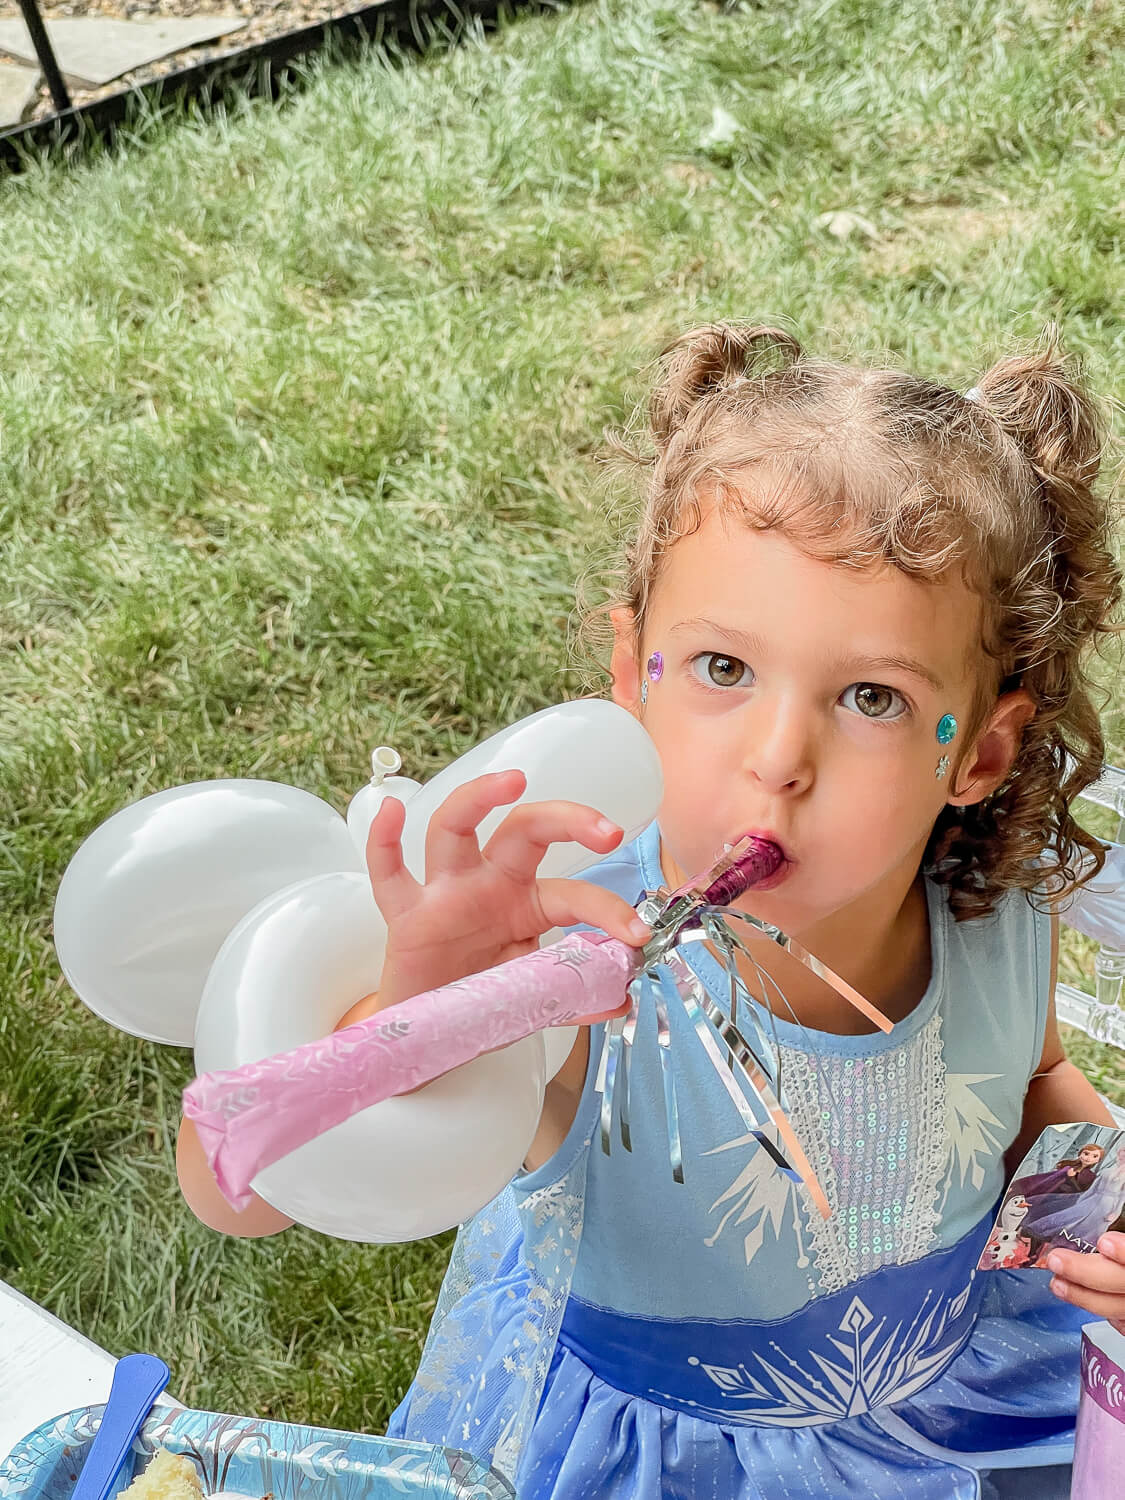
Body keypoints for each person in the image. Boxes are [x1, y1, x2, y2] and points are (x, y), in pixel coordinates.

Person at [177, 324, 1124, 1498]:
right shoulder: (572, 955)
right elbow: (240, 1189)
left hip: (958, 1396)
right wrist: (427, 994)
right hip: (680, 1457)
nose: (780, 758)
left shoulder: (992, 906)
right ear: (635, 676)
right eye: (725, 669)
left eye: (872, 696)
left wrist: (1111, 1199)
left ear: (978, 751)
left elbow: (1028, 1089)